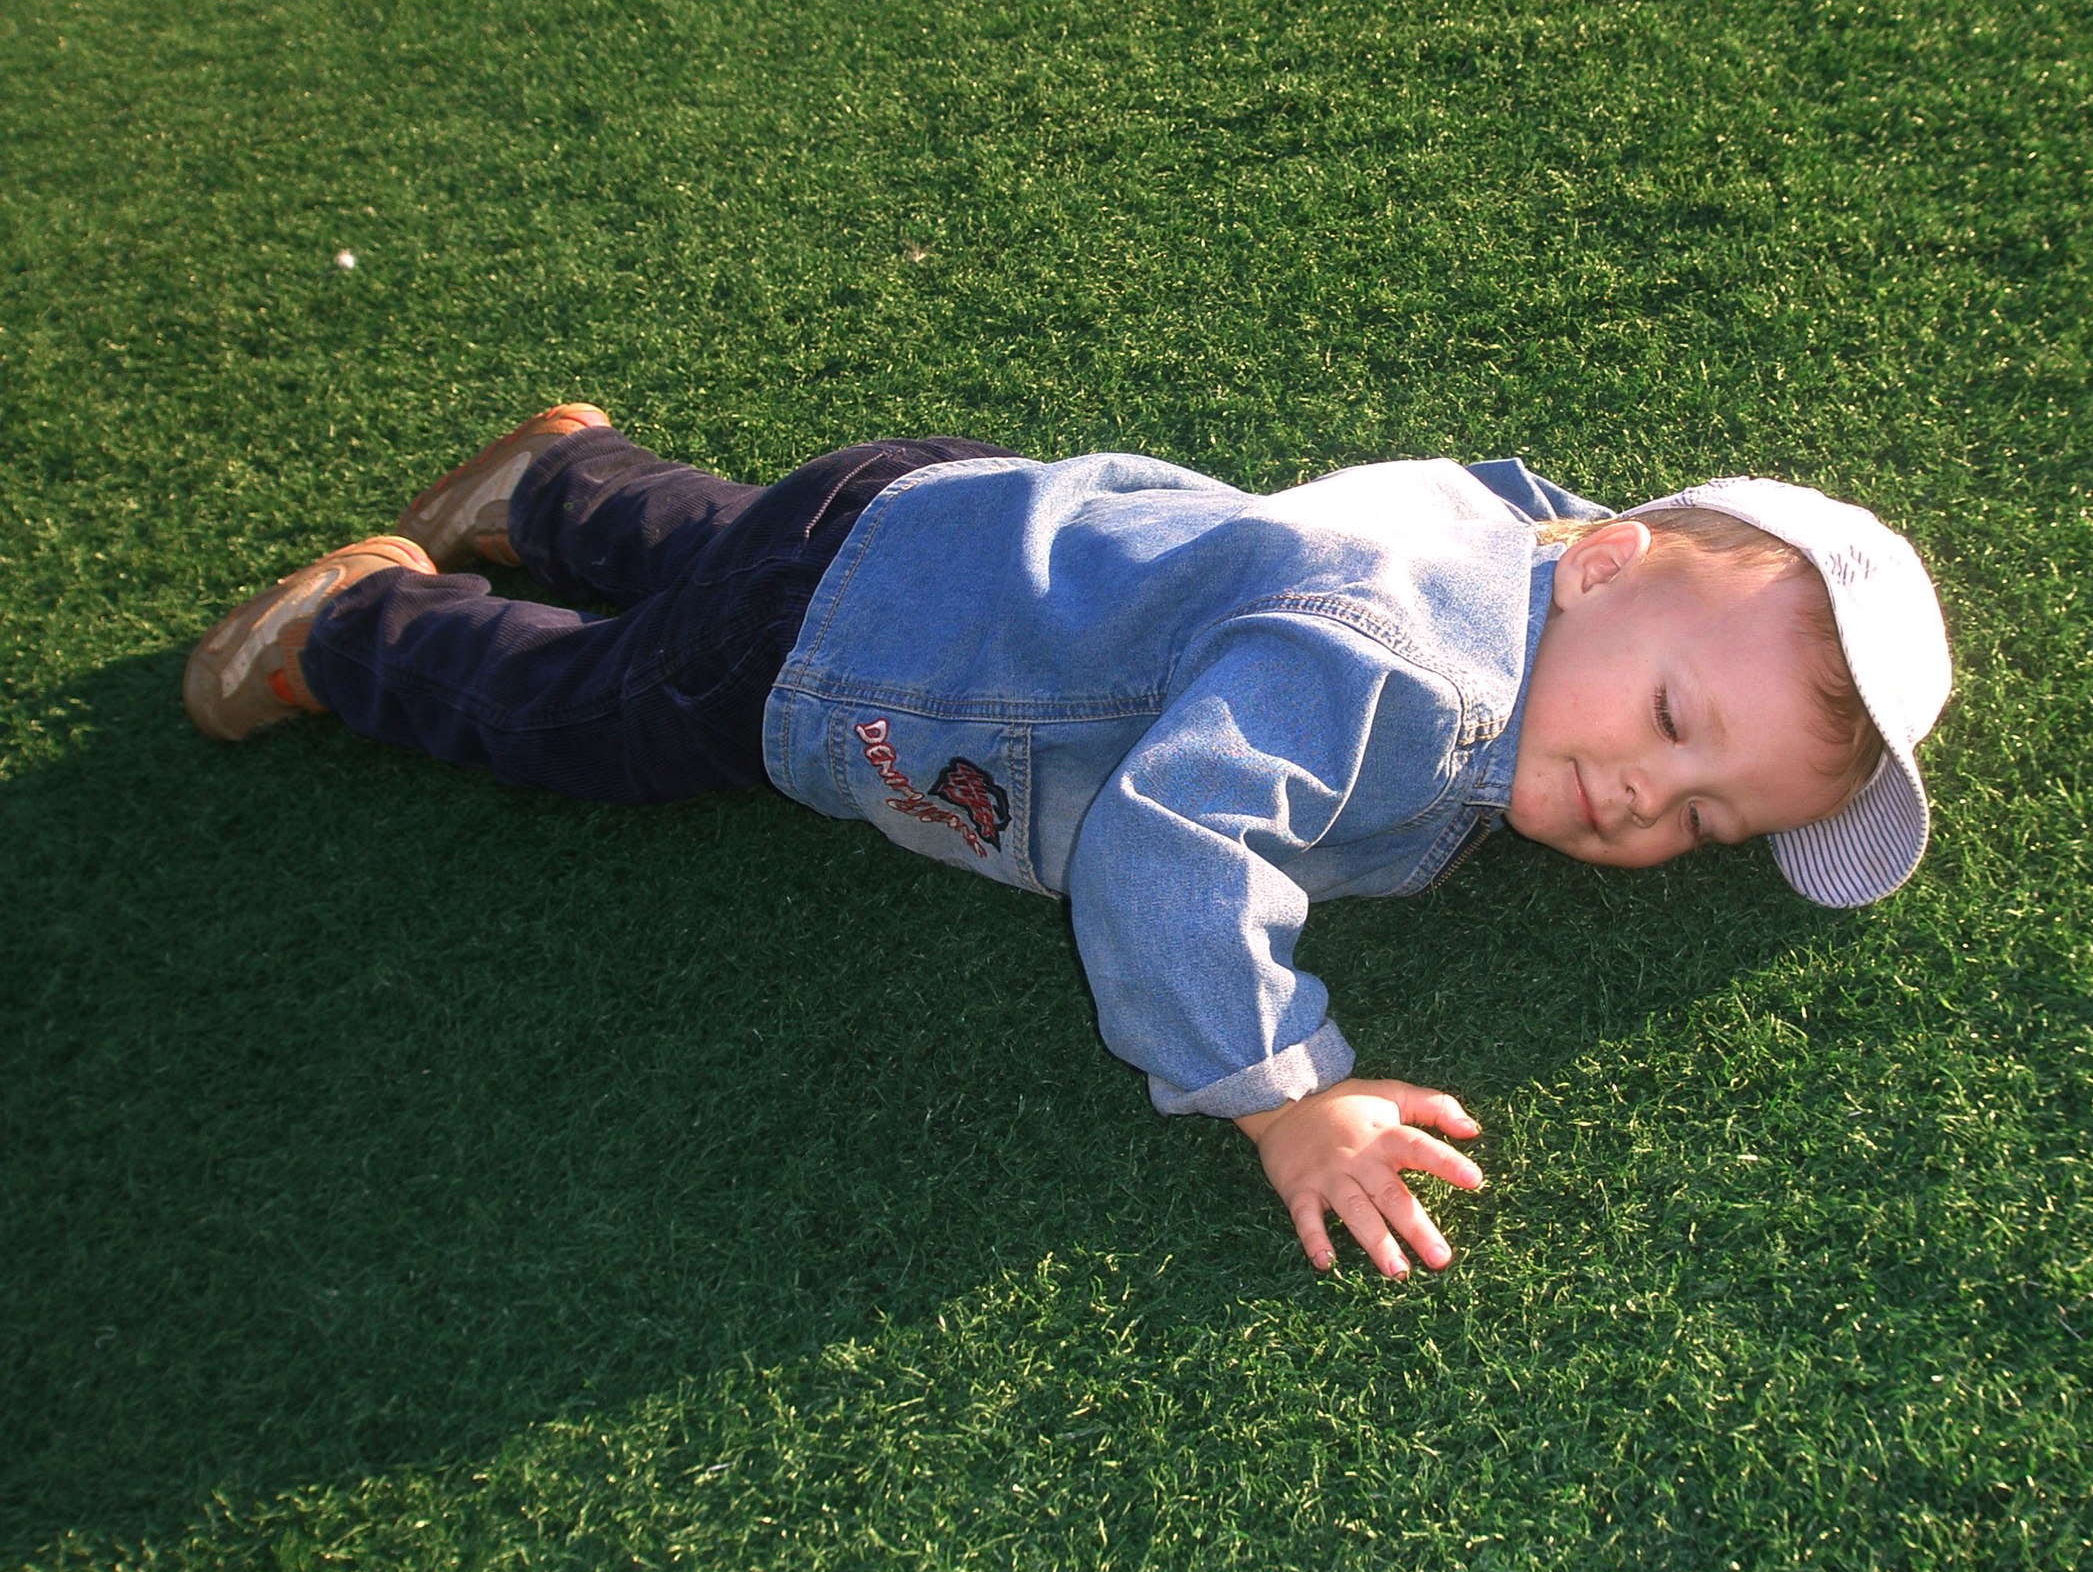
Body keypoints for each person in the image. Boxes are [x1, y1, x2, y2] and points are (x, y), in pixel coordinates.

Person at [184, 407, 1952, 1278]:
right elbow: (1171, 843)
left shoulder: (1511, 547)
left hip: (935, 515)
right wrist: (1284, 1092)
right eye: (1670, 726)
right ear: (1608, 564)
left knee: (723, 541)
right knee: (606, 718)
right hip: (860, 655)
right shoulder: (1407, 673)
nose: (1645, 798)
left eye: (1707, 819)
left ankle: (554, 482)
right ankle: (359, 630)